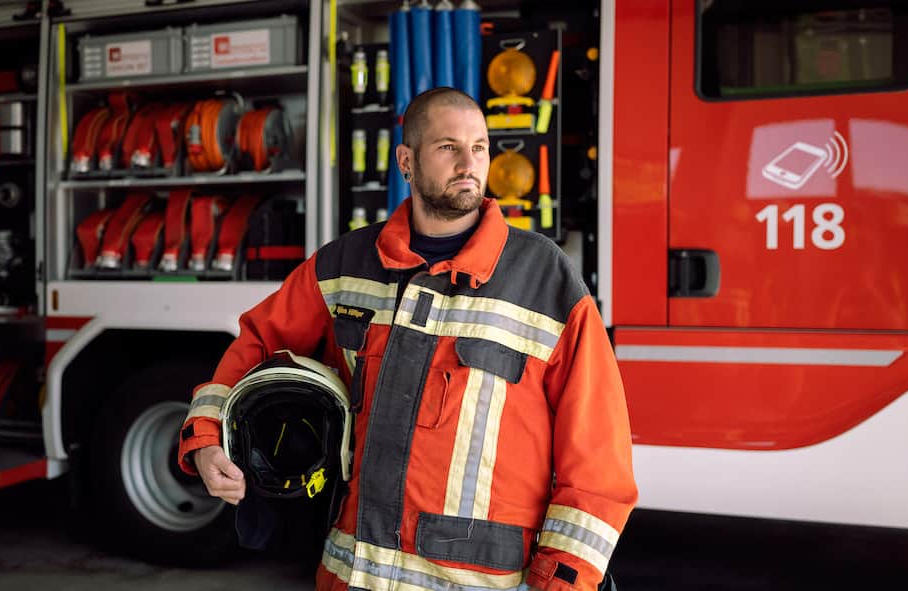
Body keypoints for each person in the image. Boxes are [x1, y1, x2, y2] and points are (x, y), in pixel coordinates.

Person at [178, 87, 637, 591]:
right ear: (406, 161)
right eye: (447, 147)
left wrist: (563, 583)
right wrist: (205, 438)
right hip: (350, 578)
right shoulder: (343, 266)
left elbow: (597, 465)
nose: (469, 163)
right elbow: (257, 345)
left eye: (479, 147)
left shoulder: (546, 281)